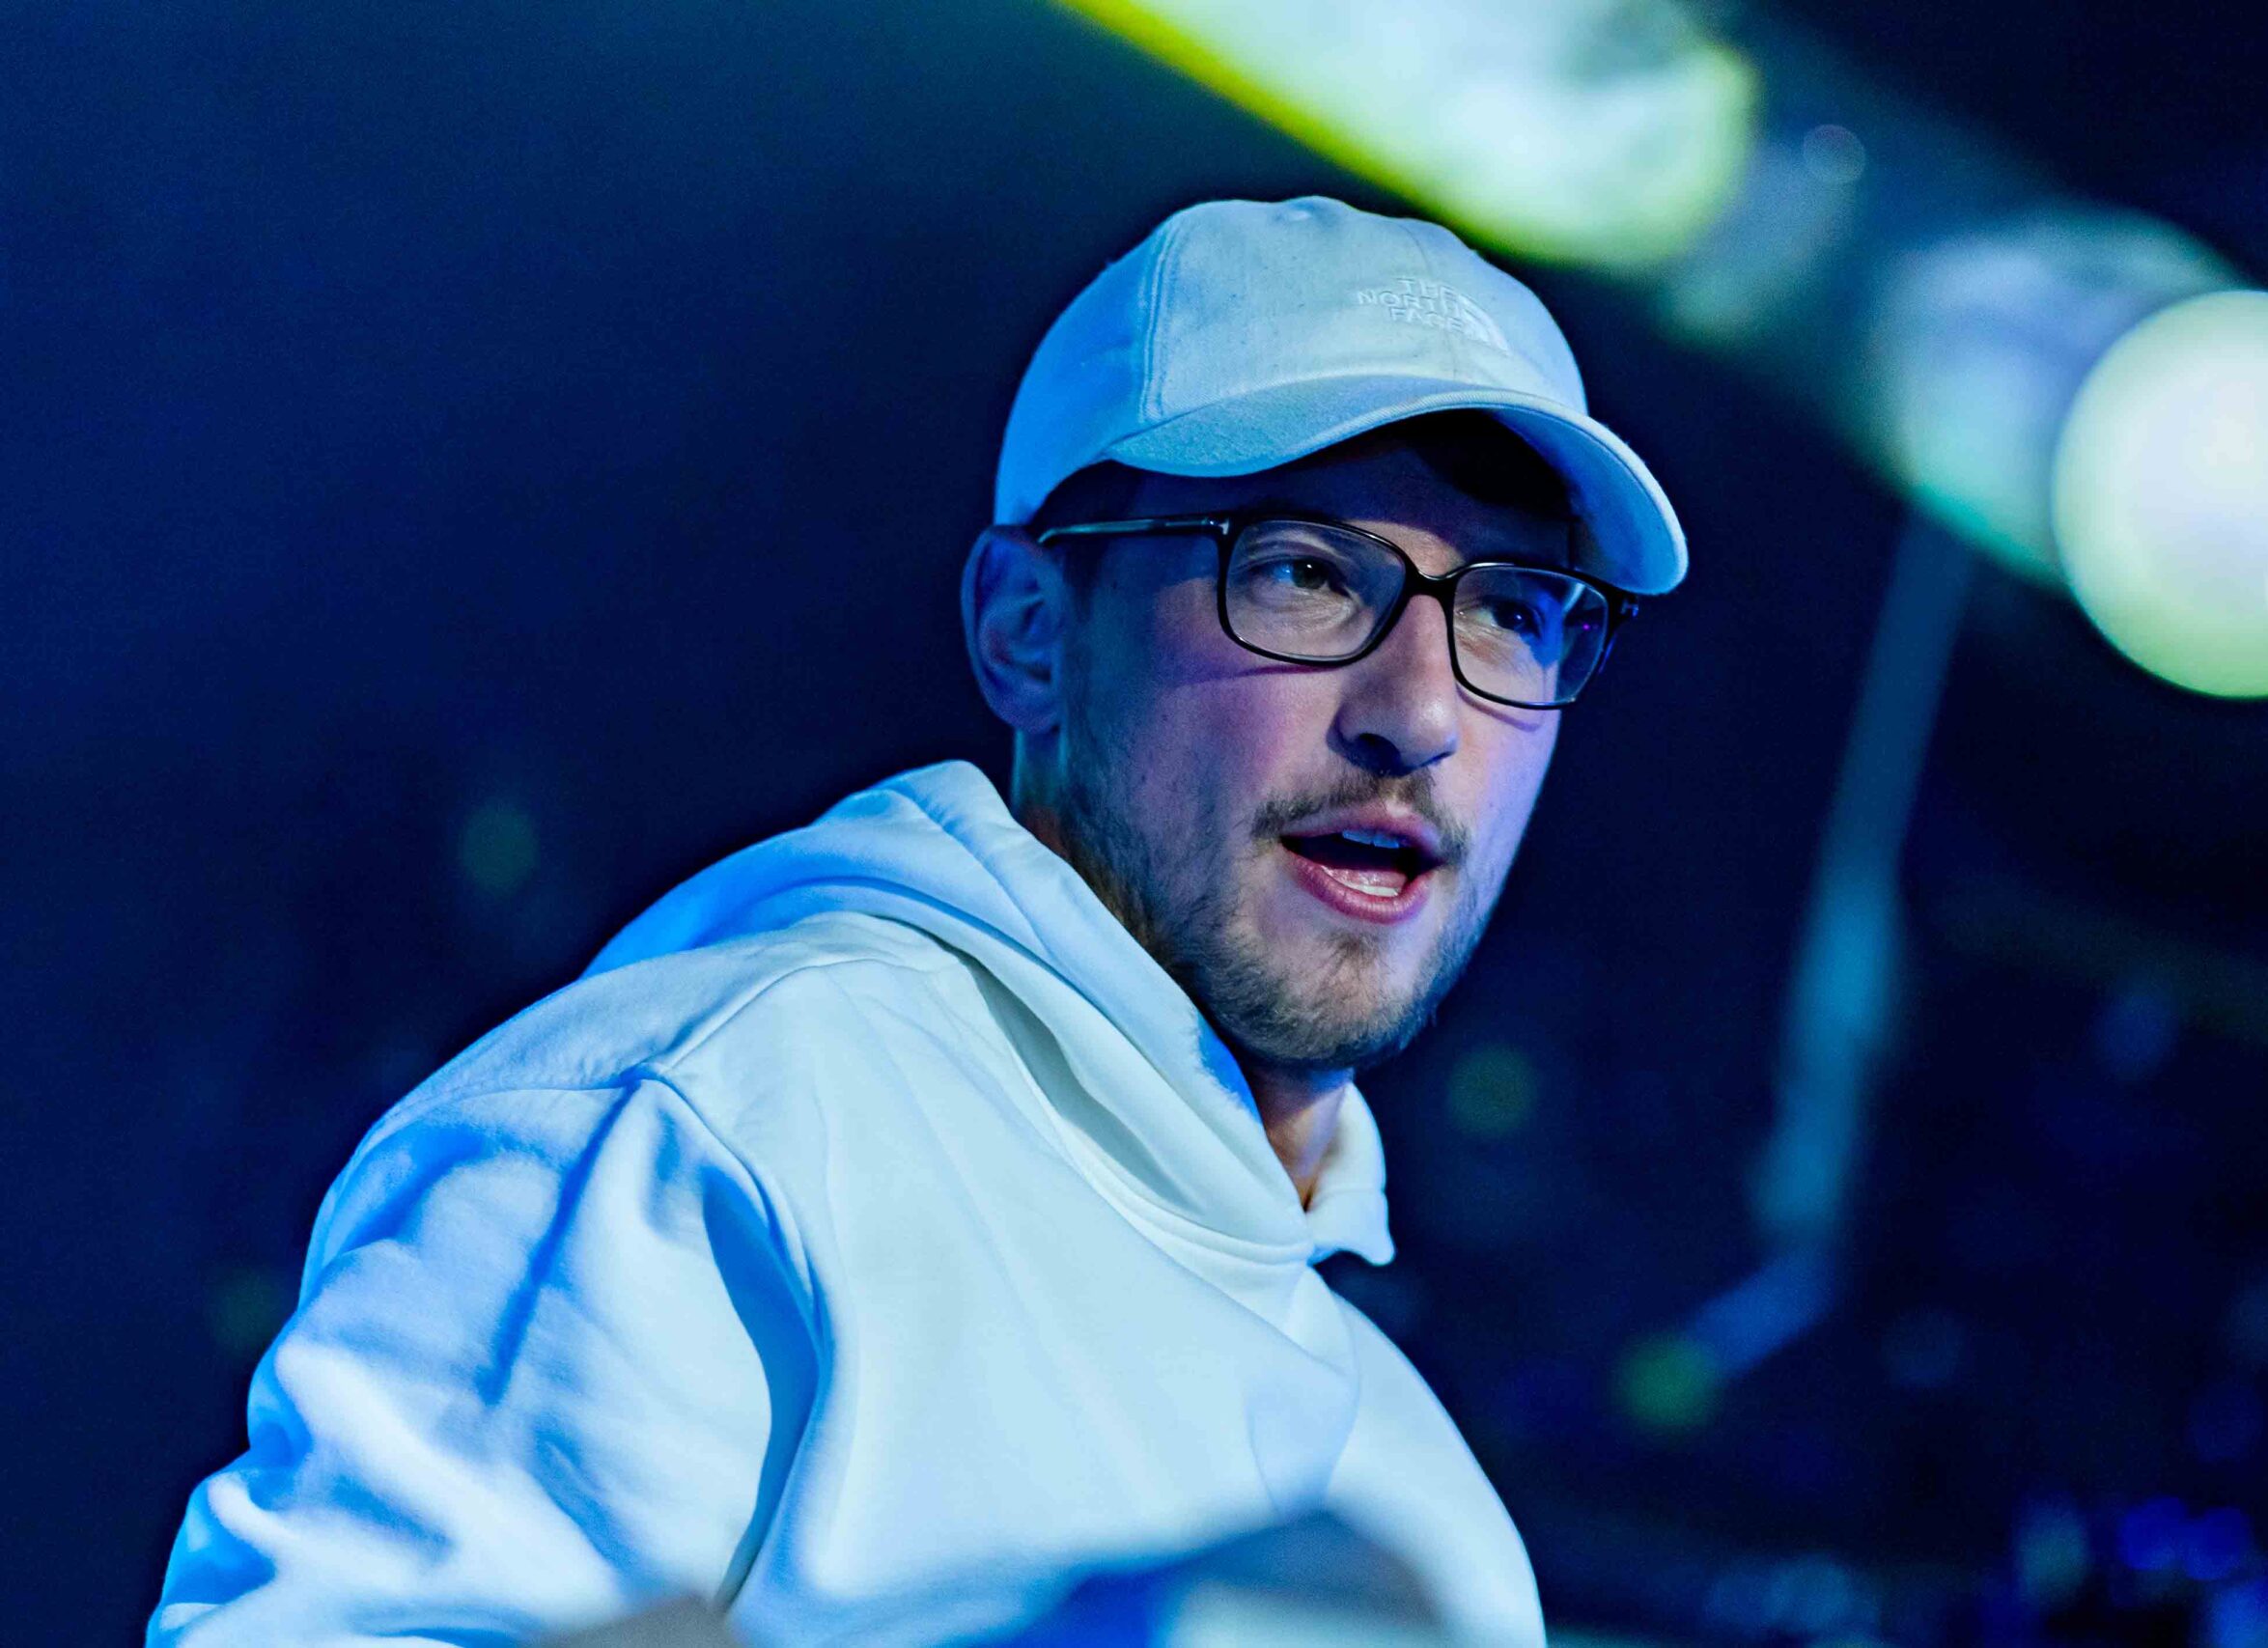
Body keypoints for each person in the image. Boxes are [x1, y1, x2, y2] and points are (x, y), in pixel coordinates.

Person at [149, 195, 1688, 1646]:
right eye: (1302, 575)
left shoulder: (1433, 1505)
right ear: (1027, 633)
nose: (1423, 712)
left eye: (1512, 611)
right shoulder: (710, 1122)